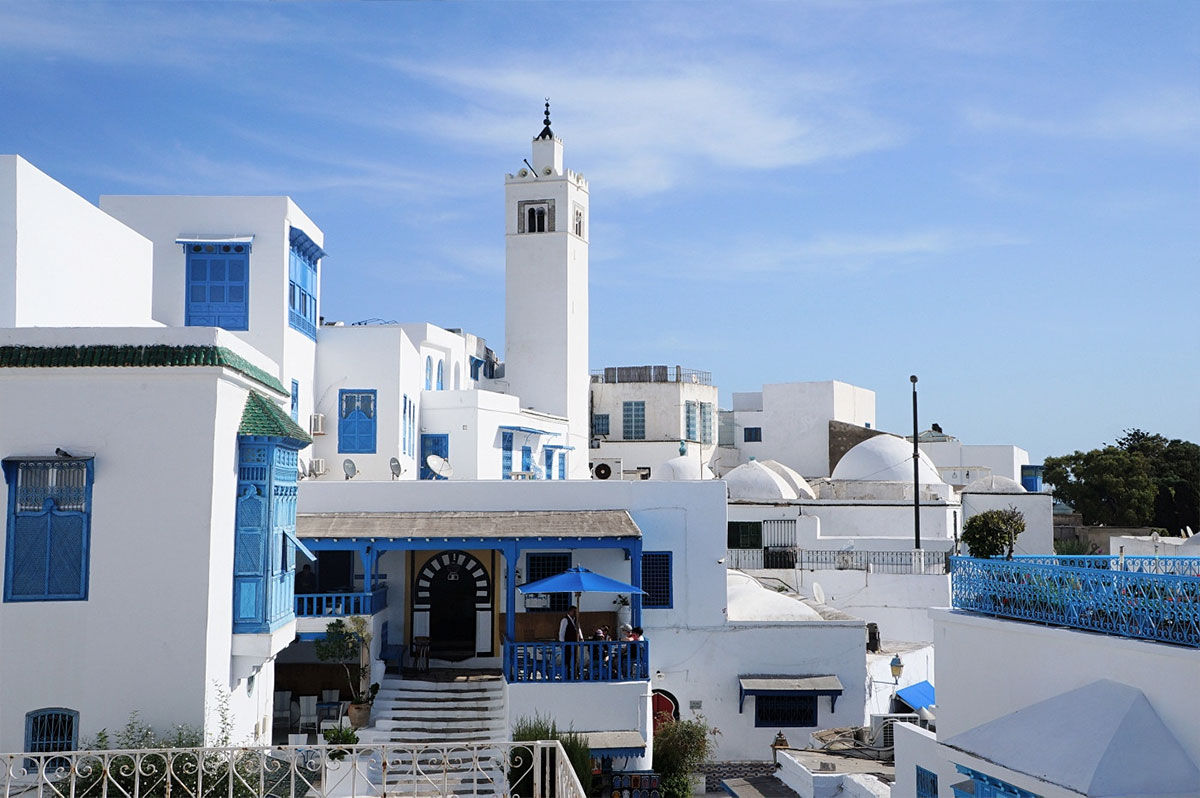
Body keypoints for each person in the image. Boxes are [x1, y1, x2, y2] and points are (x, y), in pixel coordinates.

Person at [559, 606, 583, 678]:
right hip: (567, 643)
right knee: (567, 659)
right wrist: (562, 641)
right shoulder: (565, 620)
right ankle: (567, 674)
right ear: (569, 612)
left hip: (575, 643)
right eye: (573, 611)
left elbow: (579, 630)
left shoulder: (576, 620)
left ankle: (575, 673)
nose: (575, 613)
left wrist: (581, 638)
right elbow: (562, 632)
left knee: (575, 659)